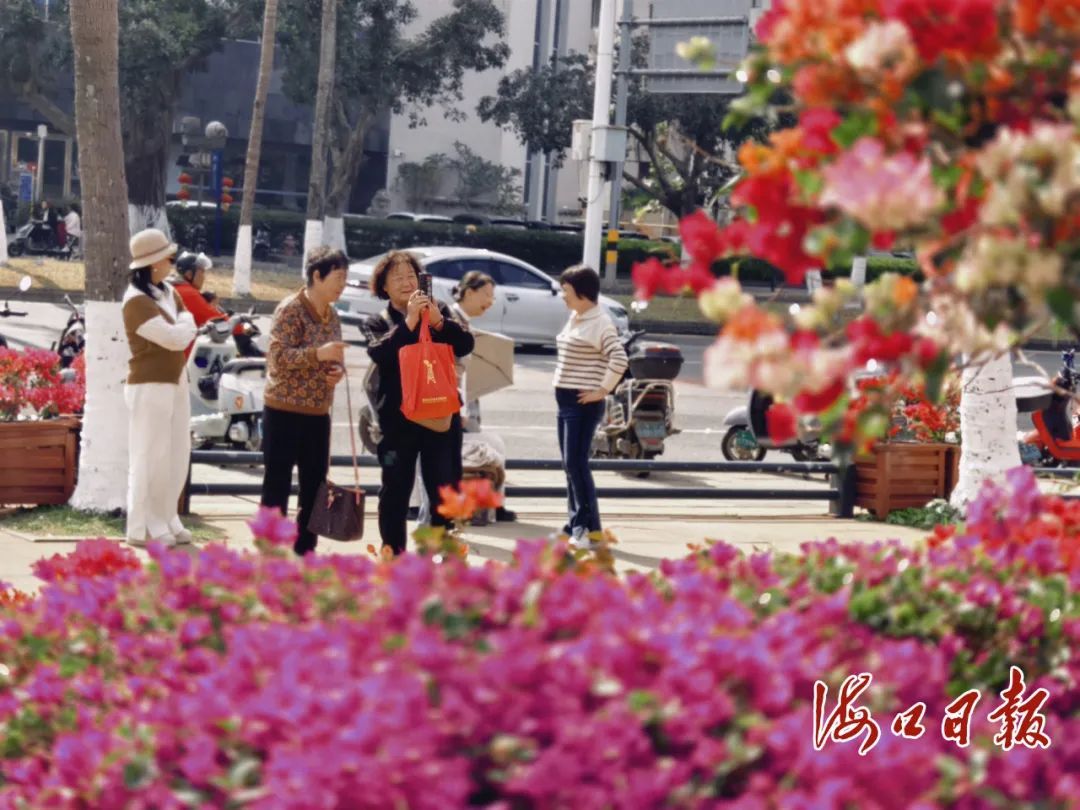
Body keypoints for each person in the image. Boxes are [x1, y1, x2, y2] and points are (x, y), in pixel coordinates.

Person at [362, 250, 474, 555]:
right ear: (383, 286)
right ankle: (392, 552)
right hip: (396, 422)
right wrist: (410, 321)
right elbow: (380, 354)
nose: (405, 282)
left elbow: (466, 343)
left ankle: (437, 551)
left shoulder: (439, 311)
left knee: (443, 486)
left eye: (411, 276)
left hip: (440, 414)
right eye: (396, 277)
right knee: (394, 489)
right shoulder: (377, 321)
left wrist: (439, 323)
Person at [260, 246, 348, 556]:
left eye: (345, 278)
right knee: (277, 483)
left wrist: (336, 371)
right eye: (338, 277)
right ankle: (270, 549)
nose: (342, 285)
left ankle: (306, 548)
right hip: (283, 409)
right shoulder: (290, 309)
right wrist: (317, 355)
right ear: (316, 275)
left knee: (315, 484)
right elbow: (277, 358)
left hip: (317, 412)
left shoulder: (333, 314)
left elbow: (333, 358)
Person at [121, 228, 197, 547]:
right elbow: (176, 337)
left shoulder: (167, 291)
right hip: (150, 386)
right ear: (153, 263)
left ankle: (167, 517)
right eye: (168, 258)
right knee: (151, 456)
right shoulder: (135, 301)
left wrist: (182, 325)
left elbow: (187, 323)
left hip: (176, 380)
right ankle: (144, 527)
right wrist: (183, 325)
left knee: (178, 452)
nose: (172, 262)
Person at [553, 264, 628, 547]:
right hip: (566, 400)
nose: (563, 296)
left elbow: (619, 359)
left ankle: (582, 527)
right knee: (570, 465)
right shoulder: (577, 317)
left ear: (583, 294)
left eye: (567, 291)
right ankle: (582, 526)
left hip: (581, 403)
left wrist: (602, 390)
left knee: (576, 464)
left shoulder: (600, 323)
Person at [172, 251, 227, 357]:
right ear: (189, 274)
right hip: (182, 353)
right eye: (201, 272)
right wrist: (241, 327)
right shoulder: (188, 293)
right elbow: (214, 318)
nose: (204, 277)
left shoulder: (177, 287)